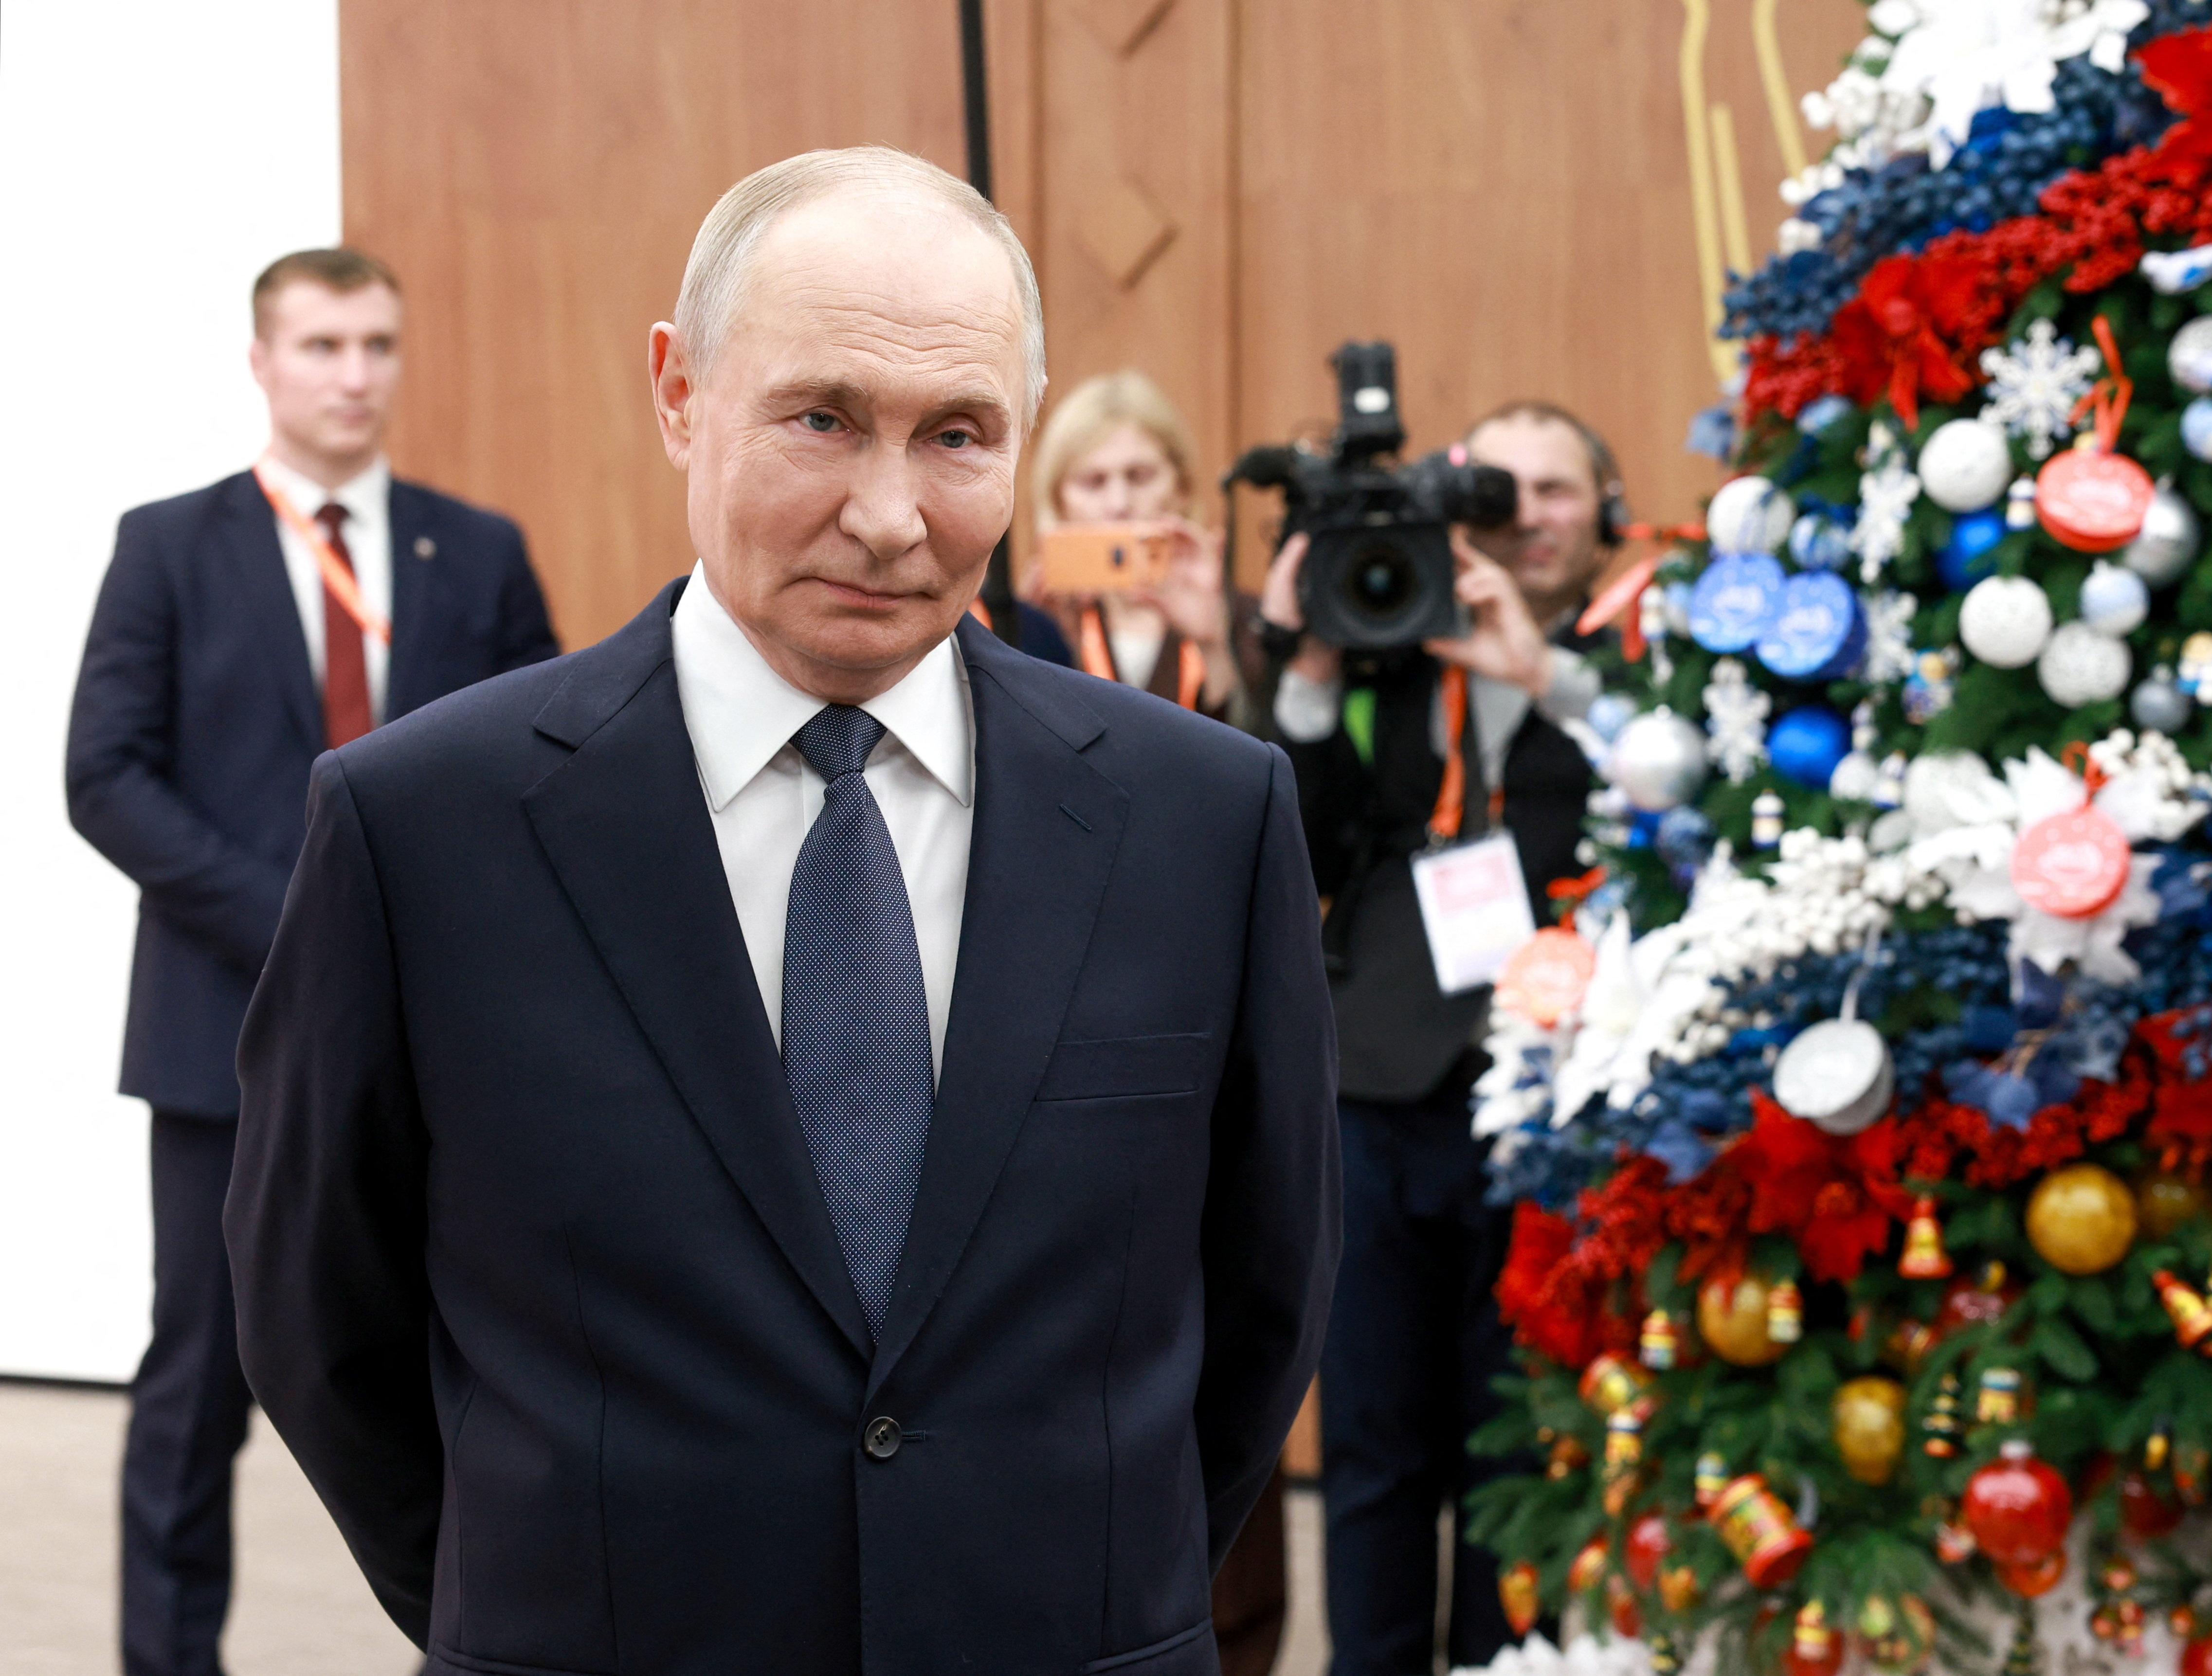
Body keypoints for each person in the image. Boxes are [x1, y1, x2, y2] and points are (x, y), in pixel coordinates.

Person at [225, 146, 1339, 1674]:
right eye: (821, 418)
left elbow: (1262, 1292)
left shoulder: (1204, 817)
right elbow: (315, 1309)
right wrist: (532, 1598)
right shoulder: (420, 825)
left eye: (957, 435)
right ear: (680, 392)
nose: (888, 516)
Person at [62, 247, 558, 1676]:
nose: (355, 374)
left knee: (472, 1381)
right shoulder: (167, 544)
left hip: (446, 1051)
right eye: (324, 344)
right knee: (194, 1391)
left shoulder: (475, 549)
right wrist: (300, 914)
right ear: (263, 362)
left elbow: (539, 769)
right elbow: (104, 774)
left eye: (379, 344)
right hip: (218, 1044)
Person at [1265, 400, 1625, 1675]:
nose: (1521, 517)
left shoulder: (1633, 654)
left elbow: (1670, 794)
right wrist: (1306, 656)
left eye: (1553, 490)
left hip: (1552, 1104)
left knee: (1516, 1445)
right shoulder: (1385, 632)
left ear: (1602, 517)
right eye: (1494, 490)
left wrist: (1545, 676)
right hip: (1376, 1092)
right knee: (1371, 1444)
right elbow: (1293, 846)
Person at [1028, 370, 1268, 732]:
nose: (1119, 504)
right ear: (1059, 501)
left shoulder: (1250, 620)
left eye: (1139, 476)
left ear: (1182, 487)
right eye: (1093, 482)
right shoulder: (1036, 620)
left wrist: (1213, 646)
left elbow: (1267, 769)